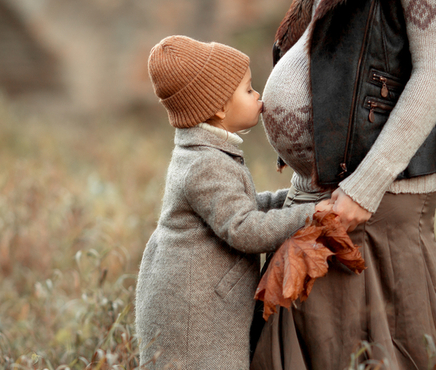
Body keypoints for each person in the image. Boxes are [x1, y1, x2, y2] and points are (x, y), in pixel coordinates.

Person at [252, 0, 436, 368]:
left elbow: (432, 75)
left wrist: (364, 188)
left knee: (374, 357)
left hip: (370, 209)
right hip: (321, 201)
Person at [134, 35, 332, 370]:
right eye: (249, 89)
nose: (258, 96)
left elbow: (240, 207)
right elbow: (244, 229)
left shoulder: (205, 153)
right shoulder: (205, 165)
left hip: (199, 300)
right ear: (220, 107)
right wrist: (310, 214)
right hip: (194, 315)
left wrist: (290, 199)